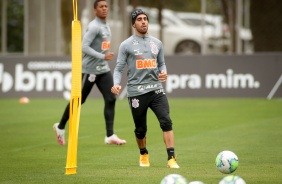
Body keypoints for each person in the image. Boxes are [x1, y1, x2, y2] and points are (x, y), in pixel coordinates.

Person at [111, 9, 179, 168]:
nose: (143, 21)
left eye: (145, 19)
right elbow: (119, 68)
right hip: (136, 92)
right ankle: (143, 154)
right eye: (139, 19)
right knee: (141, 129)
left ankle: (171, 158)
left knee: (166, 121)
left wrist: (164, 73)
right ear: (133, 23)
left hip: (156, 90)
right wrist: (116, 83)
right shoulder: (126, 45)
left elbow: (161, 63)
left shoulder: (157, 43)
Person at [53, 0, 126, 146]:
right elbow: (84, 47)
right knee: (79, 100)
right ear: (95, 10)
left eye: (106, 6)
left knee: (111, 98)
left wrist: (103, 58)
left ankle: (110, 135)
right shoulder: (94, 27)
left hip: (103, 68)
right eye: (101, 7)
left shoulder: (106, 25)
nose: (104, 9)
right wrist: (102, 56)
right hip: (90, 69)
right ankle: (60, 126)